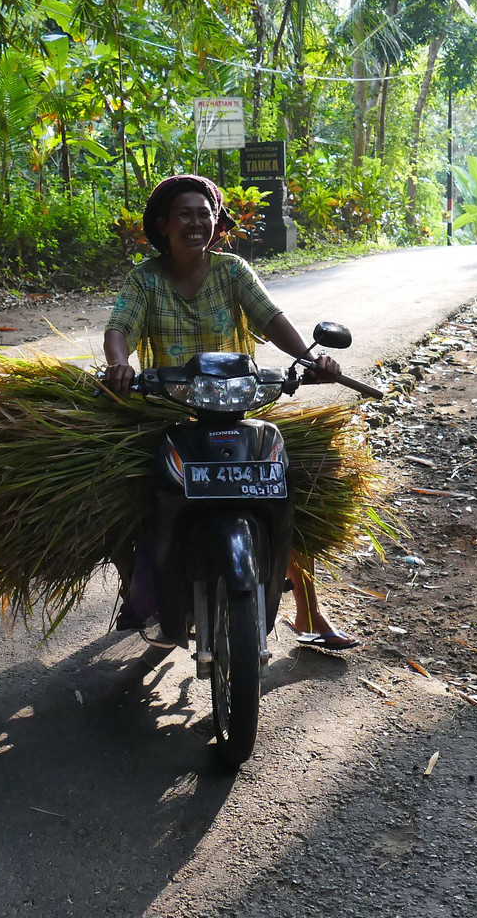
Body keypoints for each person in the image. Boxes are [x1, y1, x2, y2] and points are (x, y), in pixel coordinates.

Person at [102, 174, 361, 651]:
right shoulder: (144, 279)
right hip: (171, 411)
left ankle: (309, 610)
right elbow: (119, 327)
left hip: (239, 409)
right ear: (163, 225)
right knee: (126, 499)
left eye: (204, 213)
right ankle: (135, 590)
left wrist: (309, 359)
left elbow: (272, 319)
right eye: (185, 214)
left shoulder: (233, 271)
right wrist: (119, 365)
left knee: (283, 488)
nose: (196, 223)